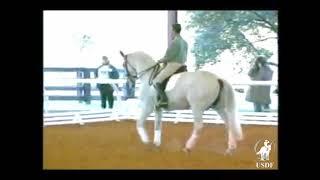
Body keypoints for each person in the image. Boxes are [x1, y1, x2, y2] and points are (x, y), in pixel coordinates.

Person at [152, 23, 188, 108]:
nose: (171, 31)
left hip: (174, 65)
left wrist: (159, 61)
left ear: (174, 30)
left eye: (171, 30)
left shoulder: (175, 42)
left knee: (156, 80)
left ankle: (163, 100)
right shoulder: (185, 42)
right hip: (182, 65)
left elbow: (168, 57)